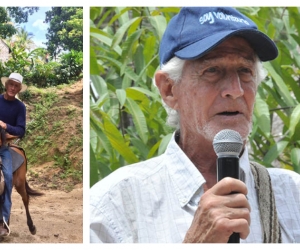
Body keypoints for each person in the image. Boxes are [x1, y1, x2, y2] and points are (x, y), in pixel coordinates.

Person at [90, 7, 300, 243]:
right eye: (212, 70)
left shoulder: (292, 194)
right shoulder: (114, 204)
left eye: (244, 71)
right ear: (169, 90)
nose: (235, 90)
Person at [0, 72, 26, 237]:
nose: (12, 88)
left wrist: (5, 126)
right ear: (6, 84)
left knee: (8, 179)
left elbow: (21, 130)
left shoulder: (20, 107)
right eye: (11, 84)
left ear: (18, 89)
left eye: (16, 86)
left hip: (3, 148)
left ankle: (3, 221)